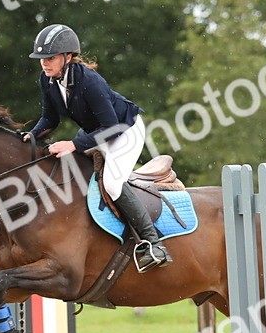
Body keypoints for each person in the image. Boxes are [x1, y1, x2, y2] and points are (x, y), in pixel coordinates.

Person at [22, 24, 172, 271]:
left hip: (125, 130)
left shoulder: (89, 81)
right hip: (97, 130)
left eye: (50, 58)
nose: (44, 63)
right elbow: (50, 119)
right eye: (41, 59)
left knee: (112, 184)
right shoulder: (47, 80)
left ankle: (153, 243)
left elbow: (111, 126)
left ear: (68, 57)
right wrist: (32, 134)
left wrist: (73, 144)